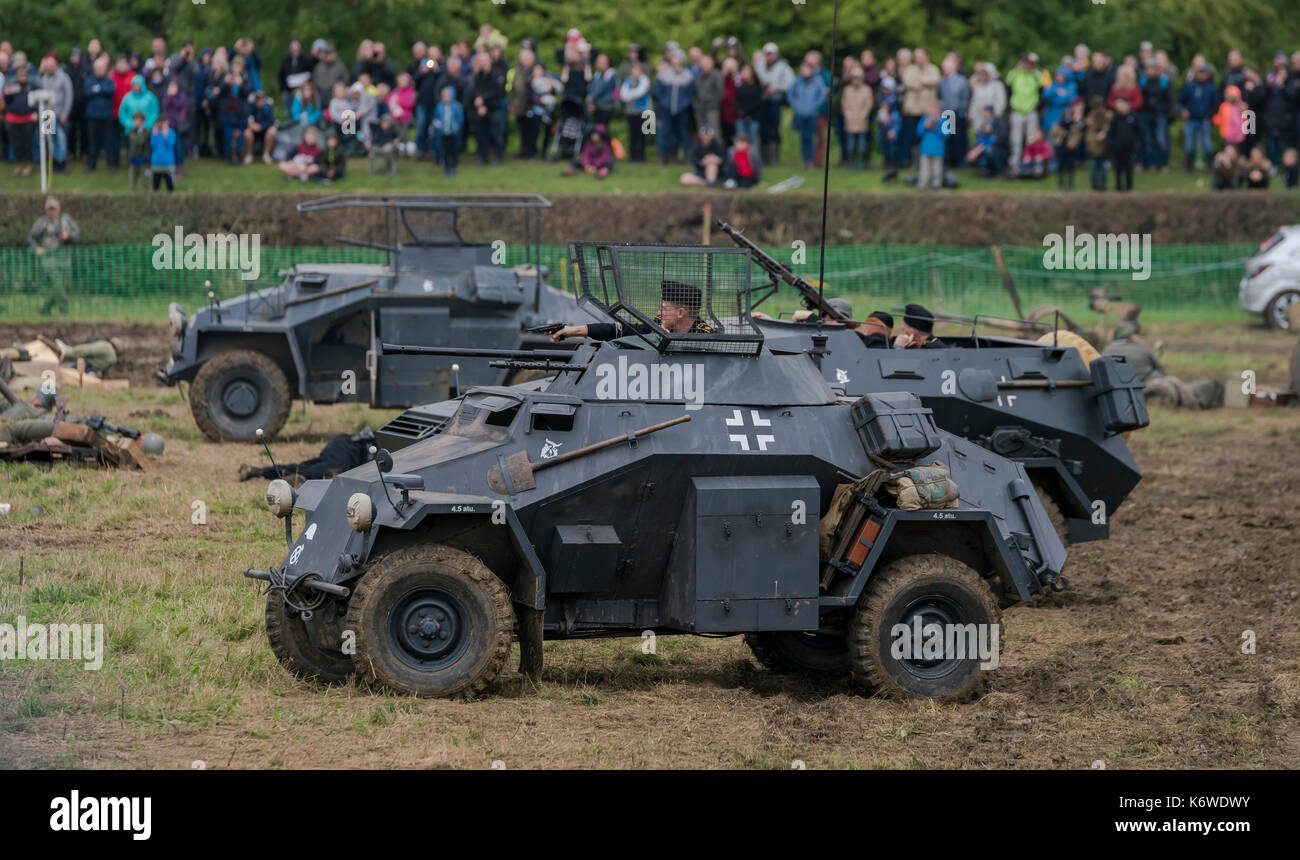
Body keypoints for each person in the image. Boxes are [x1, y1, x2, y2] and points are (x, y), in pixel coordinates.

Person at [550, 280, 718, 342]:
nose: (659, 313)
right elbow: (619, 331)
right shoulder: (658, 326)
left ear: (680, 313)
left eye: (664, 309)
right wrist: (573, 330)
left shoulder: (708, 337)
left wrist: (669, 343)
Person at [1103, 321, 1222, 409]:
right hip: (1153, 385)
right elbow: (1160, 368)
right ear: (1131, 335)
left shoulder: (1107, 350)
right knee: (1196, 390)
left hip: (1122, 391)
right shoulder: (1141, 346)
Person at [238, 429, 375, 484]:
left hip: (343, 446)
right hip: (348, 450)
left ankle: (257, 471)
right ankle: (301, 479)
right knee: (327, 471)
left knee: (304, 467)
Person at [29, 197, 79, 316]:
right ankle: (64, 311)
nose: (52, 211)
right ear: (46, 210)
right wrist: (37, 248)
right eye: (50, 209)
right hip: (49, 256)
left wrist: (68, 235)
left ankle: (45, 309)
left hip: (64, 256)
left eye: (54, 209)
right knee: (57, 282)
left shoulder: (66, 220)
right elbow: (31, 237)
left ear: (59, 208)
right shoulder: (42, 222)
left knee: (64, 283)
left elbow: (77, 235)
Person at [789, 60, 828, 169]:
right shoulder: (798, 81)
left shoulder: (817, 81)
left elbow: (822, 95)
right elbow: (790, 94)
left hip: (812, 114)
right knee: (803, 138)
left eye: (806, 69)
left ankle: (811, 160)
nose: (804, 71)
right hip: (800, 113)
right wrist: (796, 104)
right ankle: (804, 160)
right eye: (803, 69)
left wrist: (814, 105)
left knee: (810, 137)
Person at [83, 54, 116, 170]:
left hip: (106, 115)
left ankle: (111, 164)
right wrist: (101, 90)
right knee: (92, 142)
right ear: (94, 69)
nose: (99, 70)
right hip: (92, 115)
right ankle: (91, 164)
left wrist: (97, 89)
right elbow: (88, 93)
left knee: (109, 141)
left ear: (105, 68)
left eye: (101, 68)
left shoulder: (109, 80)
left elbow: (110, 91)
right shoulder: (89, 80)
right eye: (97, 68)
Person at [619, 62, 651, 163]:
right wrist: (629, 95)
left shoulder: (645, 80)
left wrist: (629, 95)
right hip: (631, 111)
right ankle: (632, 155)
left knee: (642, 134)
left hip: (642, 111)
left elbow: (640, 92)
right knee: (632, 134)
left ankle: (641, 155)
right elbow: (623, 95)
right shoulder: (628, 81)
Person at [1108, 97, 1140, 191]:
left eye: (1120, 104)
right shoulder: (1116, 118)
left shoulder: (1133, 116)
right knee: (1118, 168)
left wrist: (1135, 144)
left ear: (1127, 105)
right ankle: (1118, 188)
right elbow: (1112, 133)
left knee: (1128, 168)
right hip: (1118, 147)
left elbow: (1138, 132)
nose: (1118, 107)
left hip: (1129, 148)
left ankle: (1129, 188)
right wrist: (1112, 145)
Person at [915, 103, 948, 189]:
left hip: (938, 149)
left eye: (935, 109)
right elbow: (918, 132)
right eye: (932, 109)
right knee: (924, 169)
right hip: (925, 149)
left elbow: (947, 134)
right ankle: (923, 183)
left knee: (937, 169)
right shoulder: (924, 119)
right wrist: (925, 126)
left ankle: (936, 184)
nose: (933, 111)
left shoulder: (944, 120)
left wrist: (936, 128)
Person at [433, 84, 463, 176]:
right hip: (443, 133)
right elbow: (436, 118)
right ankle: (446, 167)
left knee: (454, 150)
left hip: (454, 133)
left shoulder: (456, 106)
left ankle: (453, 166)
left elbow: (460, 118)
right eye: (444, 95)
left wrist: (457, 127)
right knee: (445, 151)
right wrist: (437, 127)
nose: (446, 97)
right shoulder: (439, 106)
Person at [1084, 94, 1112, 190]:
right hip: (1093, 145)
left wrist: (1104, 132)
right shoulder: (1091, 115)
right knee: (1094, 166)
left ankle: (1102, 186)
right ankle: (1095, 186)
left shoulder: (1106, 115)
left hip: (1102, 145)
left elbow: (1107, 126)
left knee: (1102, 166)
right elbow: (1089, 131)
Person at [243, 90, 277, 164]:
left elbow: (272, 122)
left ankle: (266, 155)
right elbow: (245, 118)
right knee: (247, 132)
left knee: (272, 130)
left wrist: (261, 126)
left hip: (265, 131)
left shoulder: (268, 107)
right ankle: (249, 155)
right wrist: (251, 125)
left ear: (264, 99)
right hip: (254, 132)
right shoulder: (251, 107)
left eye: (261, 99)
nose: (259, 101)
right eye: (257, 99)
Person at [149, 115, 177, 191]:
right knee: (156, 186)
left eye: (164, 123)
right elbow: (152, 146)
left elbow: (170, 145)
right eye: (160, 123)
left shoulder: (171, 132)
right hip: (156, 164)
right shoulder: (155, 133)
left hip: (168, 164)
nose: (161, 125)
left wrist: (166, 135)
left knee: (170, 186)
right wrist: (154, 135)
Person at [125, 110, 151, 190]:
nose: (135, 122)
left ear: (142, 120)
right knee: (132, 180)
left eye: (137, 120)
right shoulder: (132, 132)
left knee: (145, 180)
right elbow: (139, 140)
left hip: (144, 159)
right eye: (134, 120)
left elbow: (141, 141)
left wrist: (141, 133)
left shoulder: (147, 132)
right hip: (134, 158)